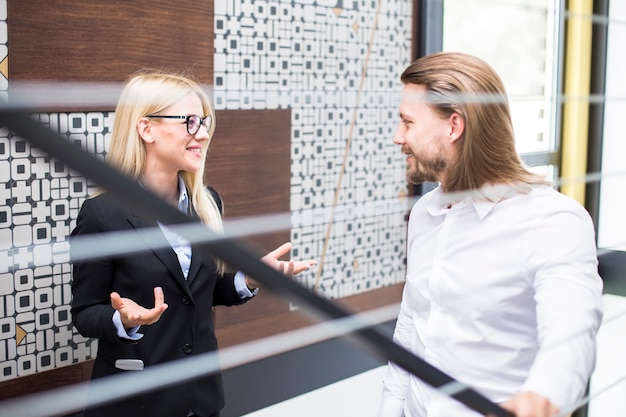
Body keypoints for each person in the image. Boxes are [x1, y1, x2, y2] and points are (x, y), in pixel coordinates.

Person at [70, 69, 316, 417]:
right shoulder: (102, 214)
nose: (201, 133)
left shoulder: (206, 203)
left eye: (203, 122)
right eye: (188, 122)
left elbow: (201, 292)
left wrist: (248, 280)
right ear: (147, 128)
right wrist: (126, 320)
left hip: (201, 400)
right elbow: (84, 313)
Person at [378, 51, 604, 417]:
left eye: (407, 122)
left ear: (454, 126)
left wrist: (541, 398)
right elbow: (413, 322)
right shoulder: (425, 214)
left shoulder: (553, 220)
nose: (397, 137)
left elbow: (572, 331)